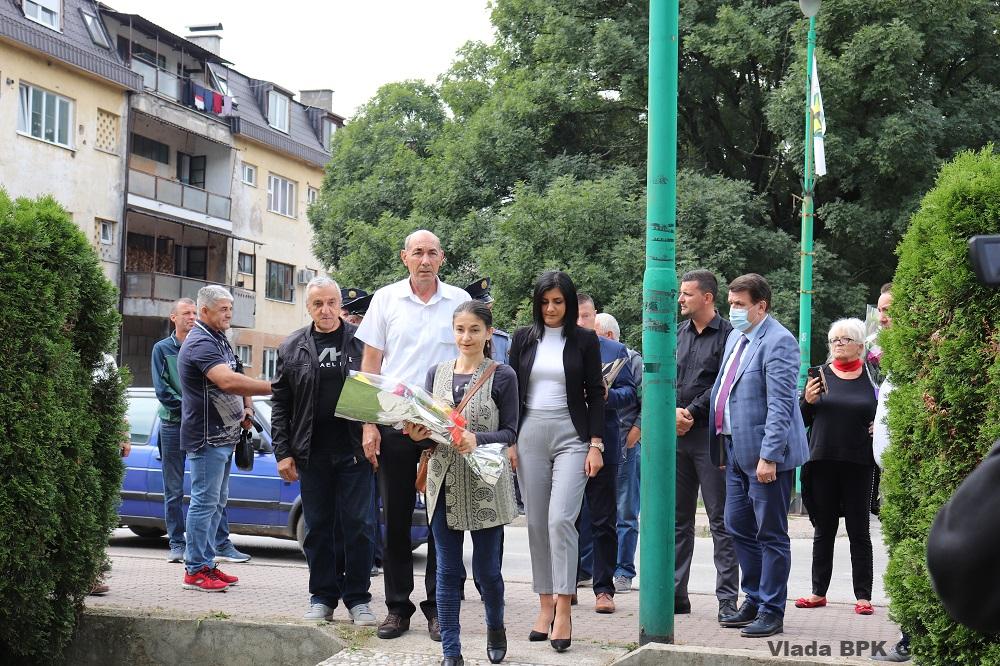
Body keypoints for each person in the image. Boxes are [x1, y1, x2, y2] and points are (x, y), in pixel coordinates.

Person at [355, 229, 471, 640]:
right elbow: (371, 364)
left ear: (442, 258)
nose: (425, 260)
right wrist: (369, 423)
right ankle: (397, 608)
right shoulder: (386, 299)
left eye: (432, 253)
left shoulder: (459, 300)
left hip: (445, 427)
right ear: (404, 257)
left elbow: (472, 358)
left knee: (446, 522)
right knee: (397, 520)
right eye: (417, 252)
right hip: (396, 424)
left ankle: (441, 609)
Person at [406, 300, 519, 666]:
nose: (466, 337)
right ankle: (451, 651)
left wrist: (478, 439)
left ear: (488, 333)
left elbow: (511, 431)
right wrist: (417, 435)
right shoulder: (435, 373)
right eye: (460, 329)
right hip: (443, 481)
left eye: (474, 330)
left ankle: (495, 627)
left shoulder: (503, 375)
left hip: (486, 484)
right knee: (447, 569)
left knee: (487, 571)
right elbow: (429, 433)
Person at [270, 277, 378, 625]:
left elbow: (377, 390)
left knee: (359, 526)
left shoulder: (362, 342)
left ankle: (358, 599)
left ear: (340, 305)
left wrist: (373, 430)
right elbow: (280, 404)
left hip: (355, 452)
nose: (326, 310)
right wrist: (282, 452)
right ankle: (322, 597)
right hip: (312, 453)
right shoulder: (292, 347)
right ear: (309, 307)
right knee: (317, 528)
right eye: (318, 304)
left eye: (331, 302)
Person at [508, 270, 605, 653]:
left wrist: (596, 445)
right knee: (535, 521)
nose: (551, 308)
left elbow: (595, 394)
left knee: (561, 519)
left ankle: (564, 608)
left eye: (558, 302)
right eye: (545, 302)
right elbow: (510, 391)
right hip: (529, 433)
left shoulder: (584, 340)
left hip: (572, 435)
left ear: (568, 303)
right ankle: (544, 604)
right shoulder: (522, 338)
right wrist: (510, 440)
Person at [709, 273, 809, 638]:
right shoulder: (737, 337)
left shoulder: (779, 341)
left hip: (766, 456)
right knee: (738, 526)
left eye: (740, 305)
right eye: (731, 304)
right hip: (735, 449)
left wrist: (769, 456)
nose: (732, 311)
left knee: (770, 534)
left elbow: (781, 405)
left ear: (760, 306)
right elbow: (726, 390)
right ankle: (752, 598)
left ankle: (771, 609)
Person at [177, 286, 272, 592]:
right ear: (204, 311)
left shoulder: (219, 338)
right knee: (204, 503)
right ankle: (195, 570)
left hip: (224, 436)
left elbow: (238, 373)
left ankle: (206, 564)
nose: (229, 314)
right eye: (223, 309)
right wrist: (277, 387)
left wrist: (248, 408)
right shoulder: (200, 342)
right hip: (207, 438)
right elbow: (228, 381)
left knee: (215, 503)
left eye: (231, 308)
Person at [152, 298, 249, 565]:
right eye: (186, 313)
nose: (191, 317)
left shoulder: (214, 342)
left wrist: (245, 407)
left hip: (206, 425)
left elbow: (234, 375)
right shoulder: (163, 349)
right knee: (175, 488)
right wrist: (193, 411)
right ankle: (177, 544)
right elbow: (163, 391)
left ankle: (220, 544)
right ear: (173, 317)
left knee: (213, 492)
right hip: (175, 424)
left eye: (194, 312)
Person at [796, 318, 878, 616]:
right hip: (822, 461)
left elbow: (885, 412)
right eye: (834, 340)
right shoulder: (819, 375)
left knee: (859, 530)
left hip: (859, 462)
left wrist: (880, 427)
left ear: (860, 345)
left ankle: (863, 596)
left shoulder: (872, 377)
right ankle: (818, 592)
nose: (839, 344)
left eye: (845, 339)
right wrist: (807, 400)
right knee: (824, 529)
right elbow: (801, 419)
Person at [674, 270, 740, 619]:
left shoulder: (729, 335)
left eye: (687, 294)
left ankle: (727, 601)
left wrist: (690, 411)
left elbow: (724, 382)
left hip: (711, 437)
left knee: (721, 520)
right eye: (680, 293)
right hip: (677, 434)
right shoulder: (677, 334)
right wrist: (673, 412)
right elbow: (665, 376)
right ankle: (675, 595)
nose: (680, 299)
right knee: (677, 519)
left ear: (707, 297)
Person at [575, 295, 635, 614]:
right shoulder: (556, 348)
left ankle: (604, 589)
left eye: (586, 316)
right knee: (566, 518)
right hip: (566, 440)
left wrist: (607, 394)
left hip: (604, 443)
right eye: (575, 316)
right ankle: (566, 584)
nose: (580, 322)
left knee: (603, 519)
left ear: (594, 316)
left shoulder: (614, 350)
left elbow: (630, 394)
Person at [870, 285, 912, 663]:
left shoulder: (915, 358)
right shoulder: (892, 360)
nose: (883, 317)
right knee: (898, 557)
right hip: (891, 475)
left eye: (890, 310)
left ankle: (911, 638)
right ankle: (906, 635)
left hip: (910, 476)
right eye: (881, 310)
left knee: (909, 559)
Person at [593, 313, 643, 596]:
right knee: (597, 512)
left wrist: (636, 432)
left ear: (609, 336)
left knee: (625, 511)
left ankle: (623, 571)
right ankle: (591, 570)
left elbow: (644, 398)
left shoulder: (631, 359)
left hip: (625, 443)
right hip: (598, 443)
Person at [464, 277, 511, 365]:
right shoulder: (462, 341)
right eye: (483, 310)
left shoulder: (503, 341)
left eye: (490, 309)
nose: (489, 314)